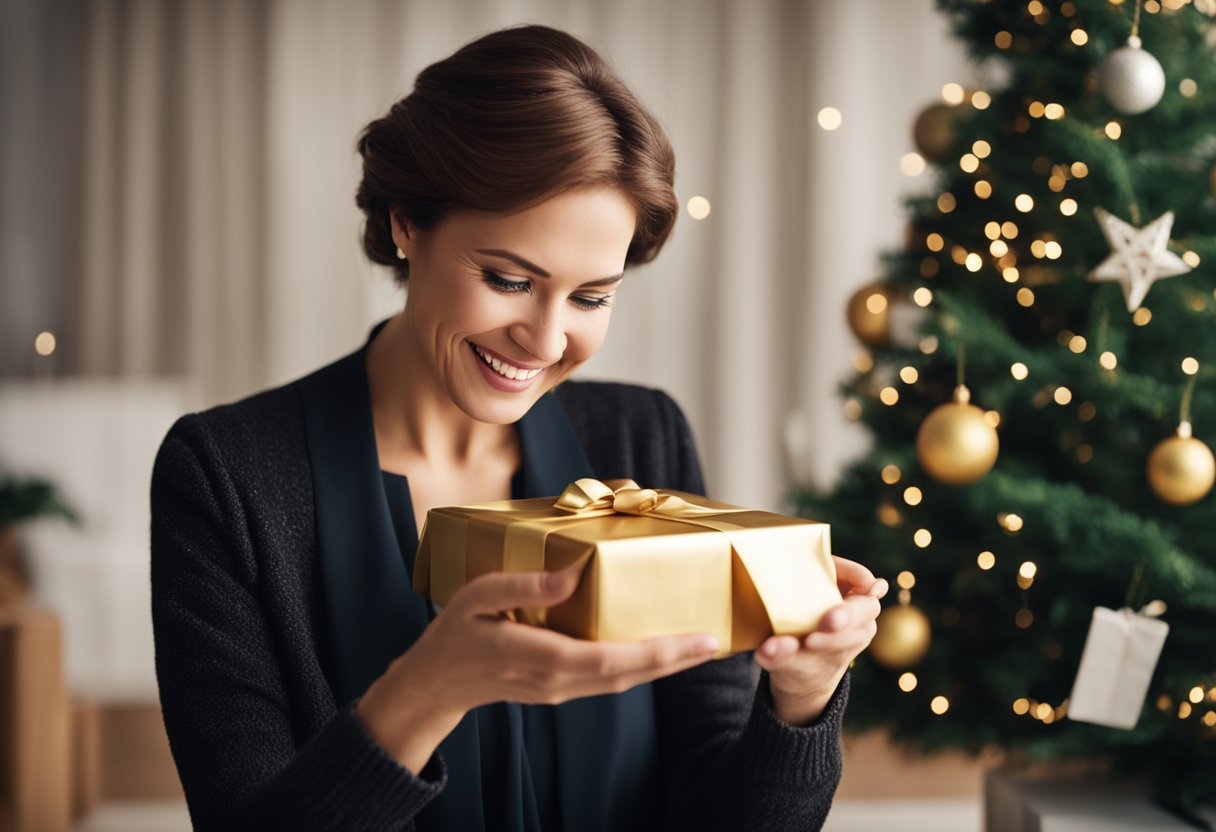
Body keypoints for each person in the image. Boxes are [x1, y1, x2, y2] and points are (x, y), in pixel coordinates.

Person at [151, 24, 886, 832]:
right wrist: (428, 690)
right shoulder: (224, 475)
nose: (544, 341)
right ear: (406, 222)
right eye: (507, 279)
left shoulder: (642, 438)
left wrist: (803, 697)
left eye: (591, 297)